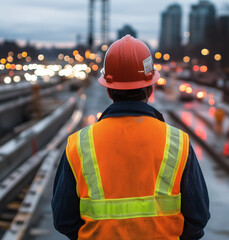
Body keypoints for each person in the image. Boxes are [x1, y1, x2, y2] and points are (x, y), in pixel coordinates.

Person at [51, 35, 210, 239]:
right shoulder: (178, 143)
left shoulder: (79, 144)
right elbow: (198, 217)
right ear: (150, 88)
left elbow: (63, 220)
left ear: (109, 90)